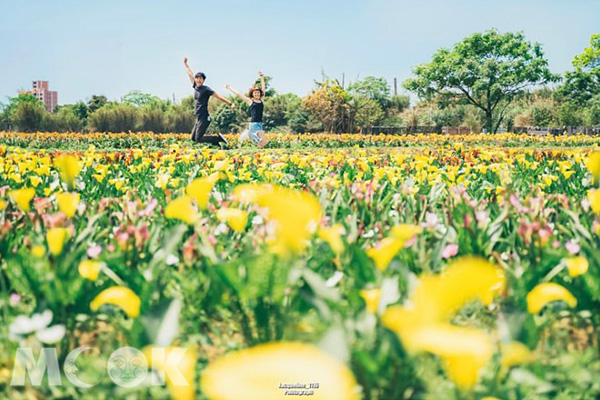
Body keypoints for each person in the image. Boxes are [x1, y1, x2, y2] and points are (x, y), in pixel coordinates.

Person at [183, 57, 235, 147]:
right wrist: (186, 64)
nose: (198, 80)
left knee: (198, 138)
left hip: (204, 117)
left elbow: (219, 97)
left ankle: (219, 139)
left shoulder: (206, 89)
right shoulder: (195, 87)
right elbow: (190, 74)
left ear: (203, 80)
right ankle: (216, 143)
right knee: (193, 138)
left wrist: (230, 103)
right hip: (199, 118)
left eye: (201, 78)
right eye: (197, 78)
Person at [225, 70, 268, 148]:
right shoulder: (250, 101)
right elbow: (239, 94)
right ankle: (246, 137)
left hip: (259, 124)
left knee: (264, 142)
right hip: (254, 124)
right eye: (255, 93)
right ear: (252, 94)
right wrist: (230, 88)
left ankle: (250, 144)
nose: (257, 94)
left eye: (258, 92)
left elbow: (263, 88)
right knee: (261, 141)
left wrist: (262, 77)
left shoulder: (261, 100)